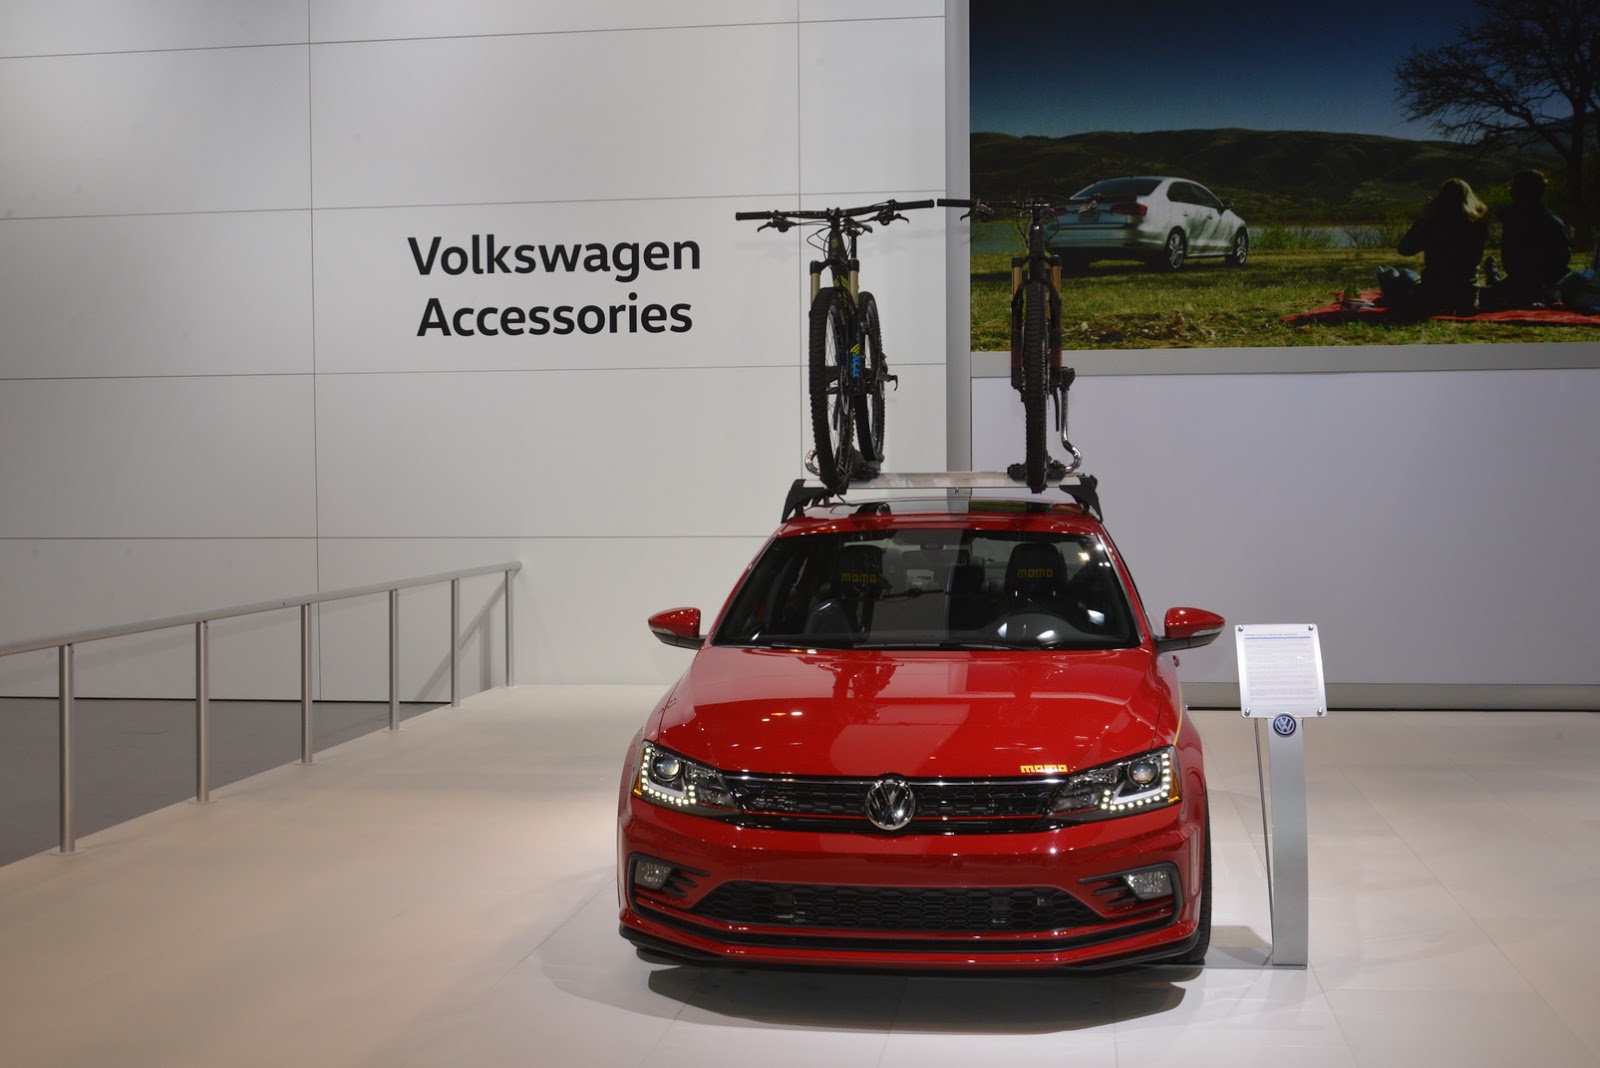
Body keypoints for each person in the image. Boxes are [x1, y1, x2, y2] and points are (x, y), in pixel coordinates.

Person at [1376, 178, 1489, 314]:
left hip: (1433, 295)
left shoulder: (1434, 224)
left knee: (1404, 275)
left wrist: (1422, 218)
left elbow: (1404, 249)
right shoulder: (1479, 224)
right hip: (1466, 297)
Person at [1481, 169, 1571, 309]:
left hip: (1544, 283)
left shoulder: (1549, 222)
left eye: (1514, 188)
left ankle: (1495, 280)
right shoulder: (1515, 217)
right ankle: (1496, 281)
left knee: (1490, 296)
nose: (1510, 192)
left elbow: (1559, 261)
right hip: (1523, 280)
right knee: (1489, 296)